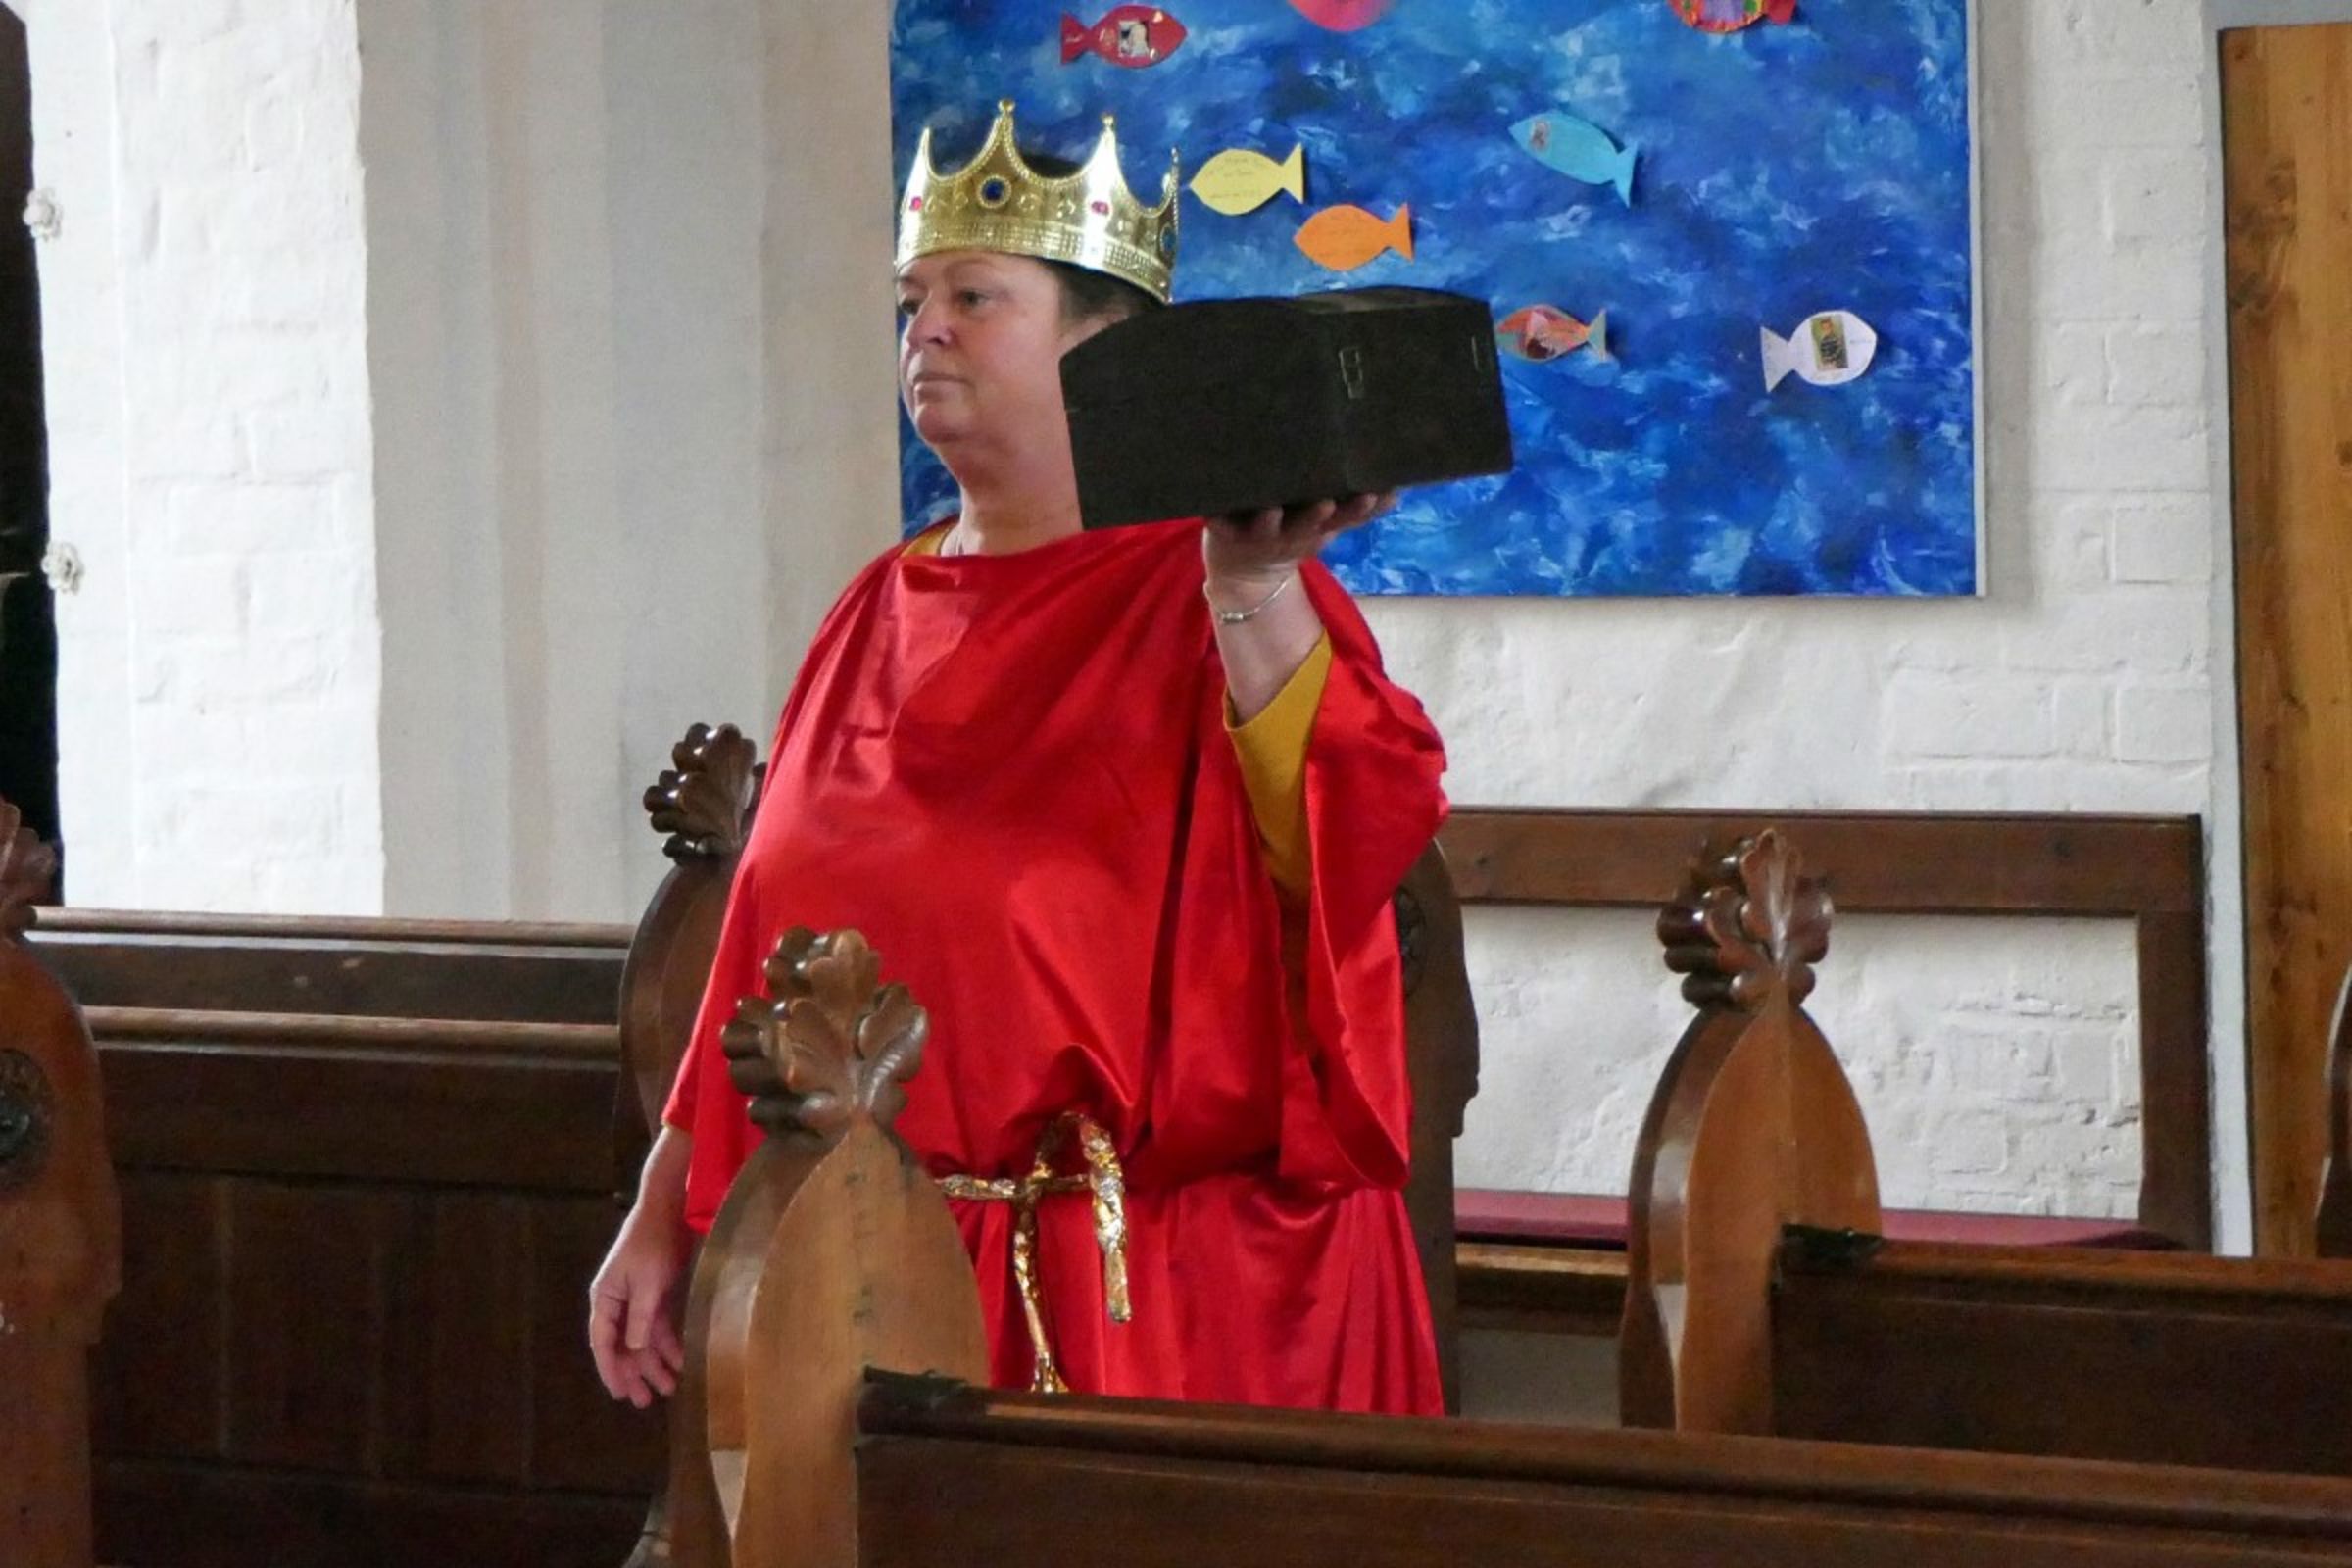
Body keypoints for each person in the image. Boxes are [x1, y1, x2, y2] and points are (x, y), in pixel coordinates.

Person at [589, 101, 1447, 1417]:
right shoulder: (878, 603)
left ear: (1106, 349)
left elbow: (1349, 832)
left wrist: (1255, 587)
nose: (924, 331)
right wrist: (664, 1195)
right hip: (874, 1267)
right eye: (912, 302)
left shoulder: (1215, 587)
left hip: (1160, 1281)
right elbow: (763, 936)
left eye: (974, 297)